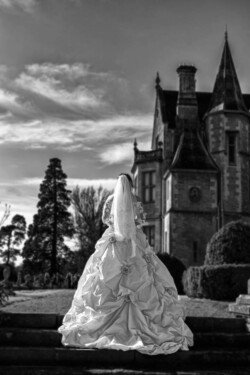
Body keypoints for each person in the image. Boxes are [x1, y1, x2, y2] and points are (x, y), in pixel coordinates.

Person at [58, 173, 193, 355]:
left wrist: (117, 226)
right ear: (131, 184)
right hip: (134, 243)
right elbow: (140, 220)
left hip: (114, 243)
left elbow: (106, 220)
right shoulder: (135, 199)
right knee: (145, 279)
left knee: (104, 278)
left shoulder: (110, 200)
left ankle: (103, 324)